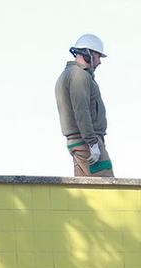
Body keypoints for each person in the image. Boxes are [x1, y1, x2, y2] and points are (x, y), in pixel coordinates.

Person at [55, 34, 113, 177]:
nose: (99, 61)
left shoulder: (67, 75)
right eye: (98, 56)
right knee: (107, 186)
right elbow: (82, 112)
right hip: (86, 143)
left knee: (85, 187)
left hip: (79, 143)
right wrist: (92, 143)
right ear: (88, 54)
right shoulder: (79, 76)